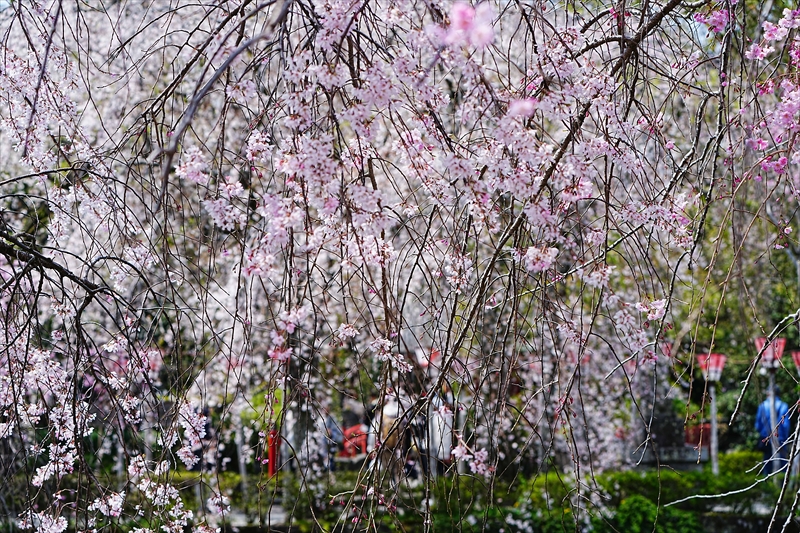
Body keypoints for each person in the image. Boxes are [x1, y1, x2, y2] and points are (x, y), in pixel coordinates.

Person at [755, 386, 791, 475]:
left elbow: (757, 425)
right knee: (782, 463)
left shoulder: (762, 405)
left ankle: (767, 486)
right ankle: (781, 485)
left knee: (767, 463)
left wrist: (763, 433)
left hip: (766, 438)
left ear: (768, 393)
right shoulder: (783, 405)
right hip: (780, 439)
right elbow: (785, 425)